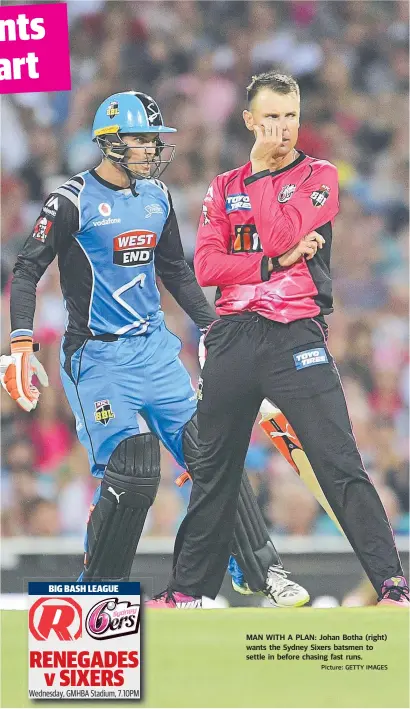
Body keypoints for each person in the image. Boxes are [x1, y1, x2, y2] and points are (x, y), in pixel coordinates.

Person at [0, 90, 308, 607]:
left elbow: (175, 272)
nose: (152, 149)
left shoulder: (158, 197)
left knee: (212, 456)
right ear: (111, 142)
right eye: (142, 140)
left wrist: (216, 329)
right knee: (135, 467)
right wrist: (21, 343)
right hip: (97, 360)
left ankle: (259, 571)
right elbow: (27, 269)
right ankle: (96, 599)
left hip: (156, 353)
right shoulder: (70, 200)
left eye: (153, 140)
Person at [147, 71, 409, 608]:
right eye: (270, 117)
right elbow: (206, 266)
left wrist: (265, 182)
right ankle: (186, 592)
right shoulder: (222, 187)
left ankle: (392, 584)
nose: (282, 128)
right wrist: (271, 261)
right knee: (214, 473)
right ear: (249, 120)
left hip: (296, 335)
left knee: (338, 462)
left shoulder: (321, 175)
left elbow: (284, 235)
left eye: (290, 116)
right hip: (231, 340)